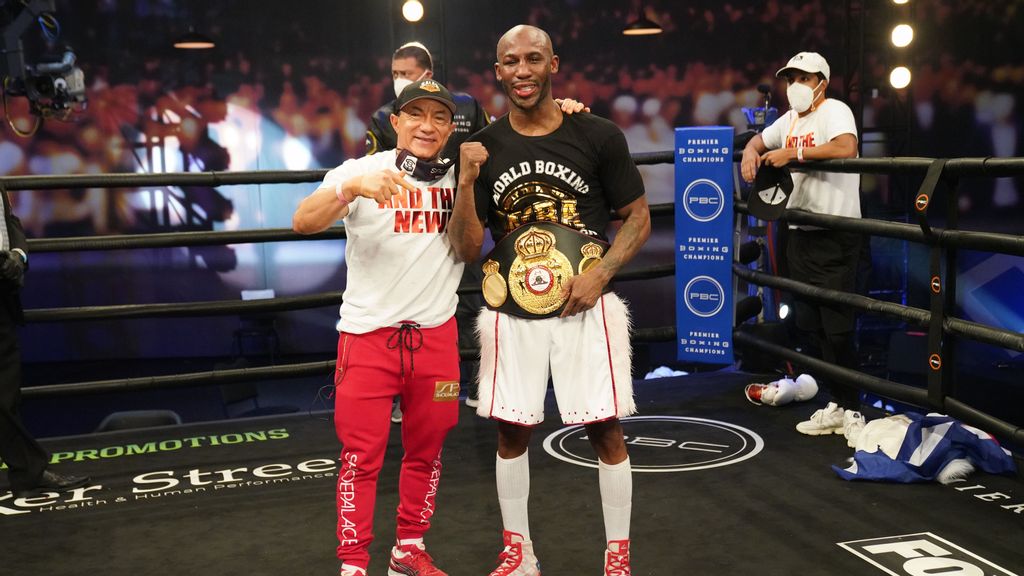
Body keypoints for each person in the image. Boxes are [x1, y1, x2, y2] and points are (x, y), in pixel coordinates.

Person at [447, 25, 650, 576]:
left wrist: (602, 273)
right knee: (512, 430)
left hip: (587, 305)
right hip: (513, 311)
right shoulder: (483, 148)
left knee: (605, 428)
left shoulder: (598, 134)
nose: (522, 70)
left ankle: (618, 557)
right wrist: (465, 182)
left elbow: (638, 217)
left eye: (533, 59)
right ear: (497, 71)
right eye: (510, 61)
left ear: (553, 63)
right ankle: (520, 553)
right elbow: (467, 249)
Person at [293, 79, 465, 576]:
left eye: (438, 117)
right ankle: (353, 565)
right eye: (415, 115)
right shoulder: (361, 171)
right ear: (395, 122)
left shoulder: (462, 175)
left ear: (451, 128)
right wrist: (349, 188)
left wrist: (566, 106)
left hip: (435, 338)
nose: (426, 126)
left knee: (427, 451)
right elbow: (303, 221)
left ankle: (408, 549)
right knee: (360, 457)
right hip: (369, 340)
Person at [739, 51, 867, 446]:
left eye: (803, 77)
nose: (794, 83)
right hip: (800, 232)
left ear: (821, 83)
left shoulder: (835, 111)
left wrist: (793, 154)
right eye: (790, 77)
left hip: (836, 232)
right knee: (810, 323)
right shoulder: (790, 119)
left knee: (839, 327)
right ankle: (836, 404)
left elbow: (846, 148)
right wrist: (750, 150)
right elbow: (762, 139)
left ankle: (853, 407)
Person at [366, 42, 490, 422]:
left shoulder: (466, 107)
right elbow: (374, 175)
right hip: (408, 222)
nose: (399, 79)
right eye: (395, 72)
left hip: (461, 213)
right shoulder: (384, 116)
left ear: (427, 74)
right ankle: (401, 394)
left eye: (406, 72)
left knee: (471, 300)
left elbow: (490, 148)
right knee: (403, 303)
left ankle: (477, 386)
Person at [1, 191, 90, 499]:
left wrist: (17, 256)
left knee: (6, 391)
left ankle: (28, 473)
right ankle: (30, 470)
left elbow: (10, 222)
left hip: (3, 297)